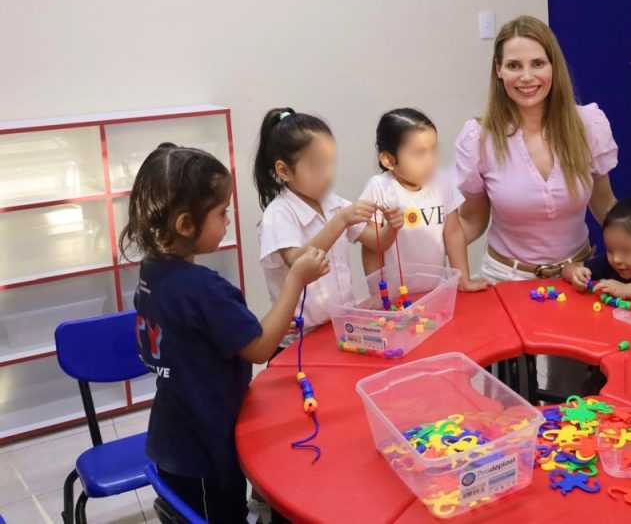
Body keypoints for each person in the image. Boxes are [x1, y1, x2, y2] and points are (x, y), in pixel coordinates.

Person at [127, 143, 329, 522]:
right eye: (222, 213)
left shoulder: (152, 272)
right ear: (186, 224)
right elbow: (259, 347)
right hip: (204, 449)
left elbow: (209, 337)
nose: (228, 221)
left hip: (173, 434)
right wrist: (296, 280)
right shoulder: (202, 288)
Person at [456, 15, 618, 281]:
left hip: (579, 275)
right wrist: (418, 242)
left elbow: (605, 205)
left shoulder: (589, 125)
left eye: (538, 64)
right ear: (499, 70)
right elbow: (472, 221)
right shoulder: (478, 138)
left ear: (553, 66)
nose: (527, 77)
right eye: (514, 66)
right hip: (506, 279)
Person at [254, 108, 384, 335]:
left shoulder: (333, 203)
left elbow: (376, 243)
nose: (327, 174)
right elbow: (298, 261)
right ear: (284, 170)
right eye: (317, 166)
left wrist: (393, 225)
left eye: (330, 163)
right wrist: (340, 221)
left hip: (340, 327)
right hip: (301, 339)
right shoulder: (278, 214)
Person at [356, 108, 486, 291]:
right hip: (396, 296)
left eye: (434, 150)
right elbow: (371, 247)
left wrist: (463, 278)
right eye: (419, 153)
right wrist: (378, 293)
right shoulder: (379, 188)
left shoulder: (442, 183)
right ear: (388, 160)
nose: (430, 160)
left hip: (437, 291)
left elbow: (454, 234)